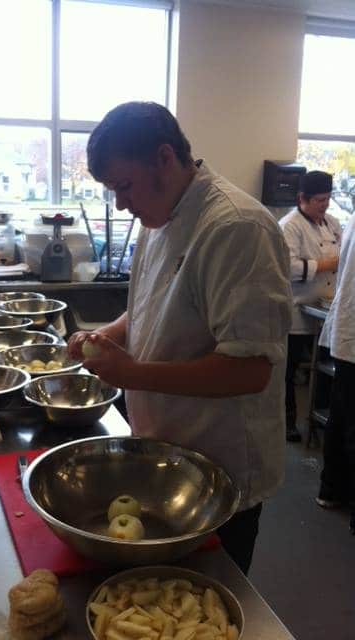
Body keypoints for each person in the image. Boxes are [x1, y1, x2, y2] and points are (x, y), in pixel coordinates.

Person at [68, 101, 292, 574]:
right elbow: (153, 304)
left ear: (164, 158)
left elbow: (250, 369)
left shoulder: (236, 228)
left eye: (123, 186)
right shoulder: (162, 216)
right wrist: (107, 334)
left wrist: (132, 374)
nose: (120, 204)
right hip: (166, 454)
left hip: (219, 468)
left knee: (200, 605)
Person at [279, 171, 341, 443]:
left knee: (326, 368)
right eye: (319, 200)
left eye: (328, 199)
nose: (325, 205)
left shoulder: (333, 224)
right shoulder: (289, 225)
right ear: (302, 199)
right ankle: (287, 422)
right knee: (289, 371)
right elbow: (287, 266)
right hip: (296, 309)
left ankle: (321, 417)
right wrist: (326, 265)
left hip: (327, 308)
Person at [317, 211, 355, 533]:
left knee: (342, 415)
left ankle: (331, 490)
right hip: (351, 330)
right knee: (349, 420)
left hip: (348, 330)